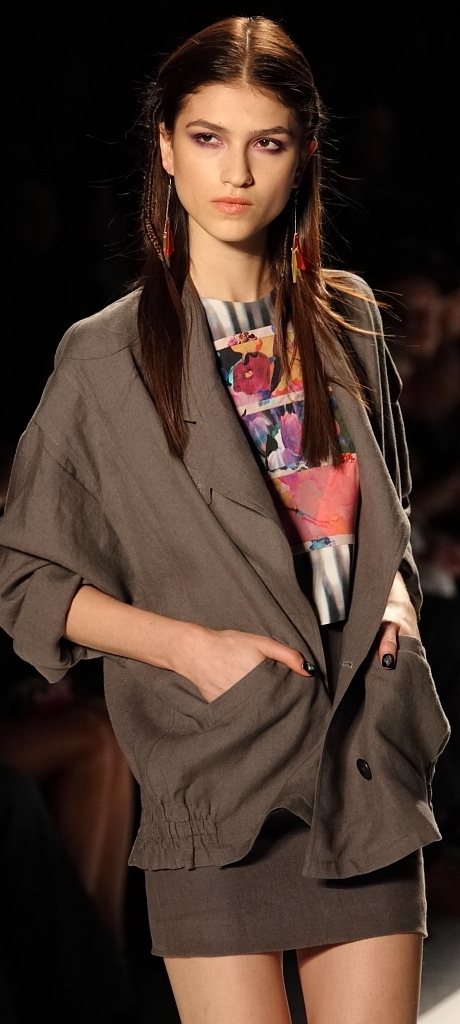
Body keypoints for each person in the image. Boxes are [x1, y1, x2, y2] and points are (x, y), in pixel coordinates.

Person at [0, 16, 450, 1024]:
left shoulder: (349, 320)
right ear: (165, 146)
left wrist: (395, 608)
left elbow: (380, 514)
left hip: (361, 762)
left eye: (266, 141)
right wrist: (191, 650)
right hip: (217, 767)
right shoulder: (104, 358)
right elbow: (24, 576)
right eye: (208, 137)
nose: (235, 172)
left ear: (304, 154)